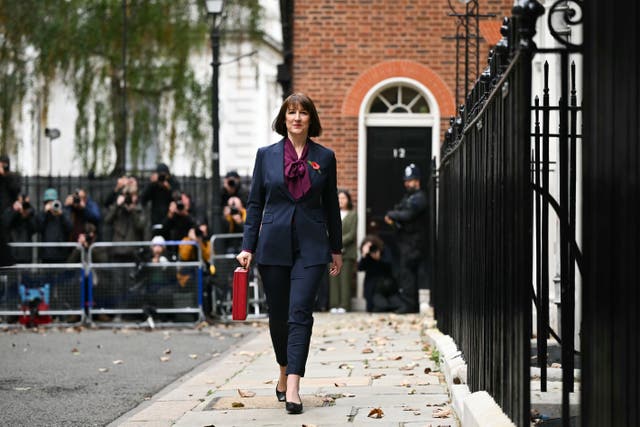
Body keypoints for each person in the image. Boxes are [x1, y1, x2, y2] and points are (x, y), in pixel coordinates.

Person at [236, 93, 342, 415]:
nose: (297, 117)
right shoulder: (265, 156)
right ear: (284, 119)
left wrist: (336, 249)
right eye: (291, 112)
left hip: (311, 246)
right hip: (273, 245)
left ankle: (294, 384)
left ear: (311, 119)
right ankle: (284, 367)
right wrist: (247, 245)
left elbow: (332, 206)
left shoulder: (324, 157)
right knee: (279, 316)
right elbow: (255, 203)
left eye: (303, 112)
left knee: (300, 312)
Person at [384, 163, 428, 314]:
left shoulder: (419, 197)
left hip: (415, 241)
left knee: (408, 273)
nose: (408, 183)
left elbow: (407, 215)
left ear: (418, 181)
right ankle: (410, 303)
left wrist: (391, 215)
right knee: (405, 273)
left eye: (411, 180)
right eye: (407, 181)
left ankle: (409, 304)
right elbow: (400, 211)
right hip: (406, 241)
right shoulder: (408, 198)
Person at [328, 189, 357, 313]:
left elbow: (351, 234)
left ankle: (344, 305)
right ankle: (334, 304)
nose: (341, 201)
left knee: (345, 280)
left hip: (347, 252)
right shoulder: (331, 214)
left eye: (344, 198)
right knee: (333, 279)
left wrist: (337, 242)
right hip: (332, 252)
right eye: (339, 198)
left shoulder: (353, 214)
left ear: (348, 200)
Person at [358, 234, 401, 312]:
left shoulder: (384, 250)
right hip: (373, 287)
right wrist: (364, 255)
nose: (372, 249)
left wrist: (378, 258)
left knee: (395, 305)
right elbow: (360, 268)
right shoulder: (367, 256)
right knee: (377, 308)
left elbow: (390, 265)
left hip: (386, 285)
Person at [140, 162, 180, 235]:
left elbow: (178, 198)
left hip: (170, 221)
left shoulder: (172, 183)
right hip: (156, 220)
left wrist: (169, 188)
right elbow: (143, 198)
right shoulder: (154, 186)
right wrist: (151, 183)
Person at [35, 188, 73, 263]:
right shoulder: (42, 214)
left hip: (61, 253)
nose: (51, 204)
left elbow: (70, 228)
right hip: (46, 254)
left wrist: (61, 215)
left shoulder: (64, 213)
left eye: (52, 202)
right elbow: (38, 228)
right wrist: (44, 213)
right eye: (48, 202)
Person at [2, 193, 36, 263]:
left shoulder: (30, 213)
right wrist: (14, 211)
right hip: (12, 252)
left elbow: (35, 228)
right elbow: (5, 224)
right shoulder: (10, 210)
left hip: (26, 254)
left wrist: (27, 215)